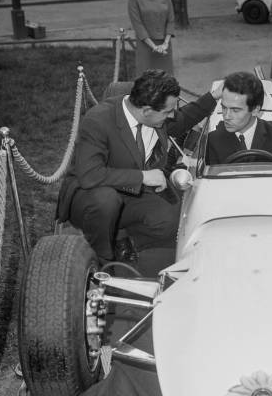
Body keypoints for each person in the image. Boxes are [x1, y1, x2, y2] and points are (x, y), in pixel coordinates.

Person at [57, 69, 222, 263]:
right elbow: (89, 175)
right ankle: (101, 259)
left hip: (131, 192)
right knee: (106, 201)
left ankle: (122, 240)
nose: (172, 115)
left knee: (173, 219)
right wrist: (143, 177)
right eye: (168, 111)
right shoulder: (98, 121)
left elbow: (183, 120)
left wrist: (214, 96)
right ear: (146, 111)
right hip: (91, 195)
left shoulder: (154, 115)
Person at [206, 71, 272, 165]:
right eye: (224, 108)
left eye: (235, 110)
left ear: (255, 110)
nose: (226, 116)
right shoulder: (213, 140)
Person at [128, 0, 175, 77]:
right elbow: (138, 26)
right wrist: (154, 47)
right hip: (146, 47)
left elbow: (171, 20)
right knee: (146, 83)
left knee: (166, 82)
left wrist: (165, 43)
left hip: (165, 47)